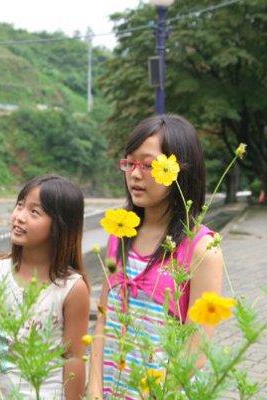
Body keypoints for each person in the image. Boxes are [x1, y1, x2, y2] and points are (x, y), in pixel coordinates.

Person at [88, 114, 224, 399]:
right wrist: (94, 387)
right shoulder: (120, 230)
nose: (135, 174)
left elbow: (196, 352)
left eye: (148, 165)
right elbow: (103, 318)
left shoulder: (201, 249)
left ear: (180, 171)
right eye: (129, 162)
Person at [0, 175, 91, 400]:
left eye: (34, 212)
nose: (19, 217)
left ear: (60, 225)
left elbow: (73, 358)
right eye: (20, 205)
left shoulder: (72, 289)